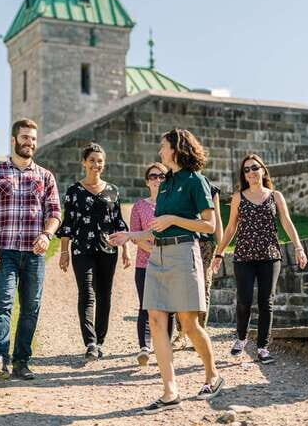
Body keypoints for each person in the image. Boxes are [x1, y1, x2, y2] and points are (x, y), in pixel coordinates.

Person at [110, 128, 223, 414]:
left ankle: (212, 373)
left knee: (188, 324)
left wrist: (174, 218)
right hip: (156, 256)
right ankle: (170, 390)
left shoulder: (196, 180)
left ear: (176, 148)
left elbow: (209, 226)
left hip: (185, 253)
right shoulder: (168, 183)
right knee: (157, 321)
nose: (160, 151)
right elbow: (158, 227)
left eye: (163, 146)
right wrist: (131, 236)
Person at [0, 118, 61, 381]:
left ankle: (22, 361)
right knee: (4, 303)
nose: (30, 143)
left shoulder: (45, 176)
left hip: (34, 253)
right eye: (25, 138)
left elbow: (55, 213)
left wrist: (47, 235)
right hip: (5, 251)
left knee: (31, 307)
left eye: (33, 139)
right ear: (14, 140)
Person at [213, 154, 307, 364]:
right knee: (244, 300)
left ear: (263, 170)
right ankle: (241, 337)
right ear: (243, 175)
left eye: (255, 168)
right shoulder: (238, 197)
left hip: (270, 257)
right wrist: (219, 253)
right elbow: (230, 228)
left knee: (267, 302)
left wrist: (299, 247)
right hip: (244, 257)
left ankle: (263, 347)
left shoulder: (276, 196)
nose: (251, 172)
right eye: (246, 170)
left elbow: (287, 223)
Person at [57, 143, 130, 361]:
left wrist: (126, 249)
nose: (96, 165)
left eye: (100, 161)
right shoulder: (74, 191)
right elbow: (68, 224)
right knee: (87, 293)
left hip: (108, 249)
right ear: (84, 163)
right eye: (92, 161)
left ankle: (100, 341)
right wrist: (63, 252)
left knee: (105, 295)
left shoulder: (113, 191)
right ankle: (89, 343)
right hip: (82, 249)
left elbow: (118, 222)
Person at [129, 162, 175, 366]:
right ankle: (144, 347)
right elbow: (135, 236)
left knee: (169, 307)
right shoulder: (139, 206)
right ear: (147, 181)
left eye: (162, 176)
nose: (158, 179)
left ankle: (164, 346)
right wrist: (156, 251)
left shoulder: (174, 205)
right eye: (154, 176)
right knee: (145, 306)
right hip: (144, 264)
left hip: (170, 264)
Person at [171, 178, 223, 349]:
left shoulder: (210, 188)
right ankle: (181, 334)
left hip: (206, 243)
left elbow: (218, 220)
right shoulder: (177, 183)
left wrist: (221, 251)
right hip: (182, 241)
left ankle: (199, 333)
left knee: (203, 287)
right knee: (180, 287)